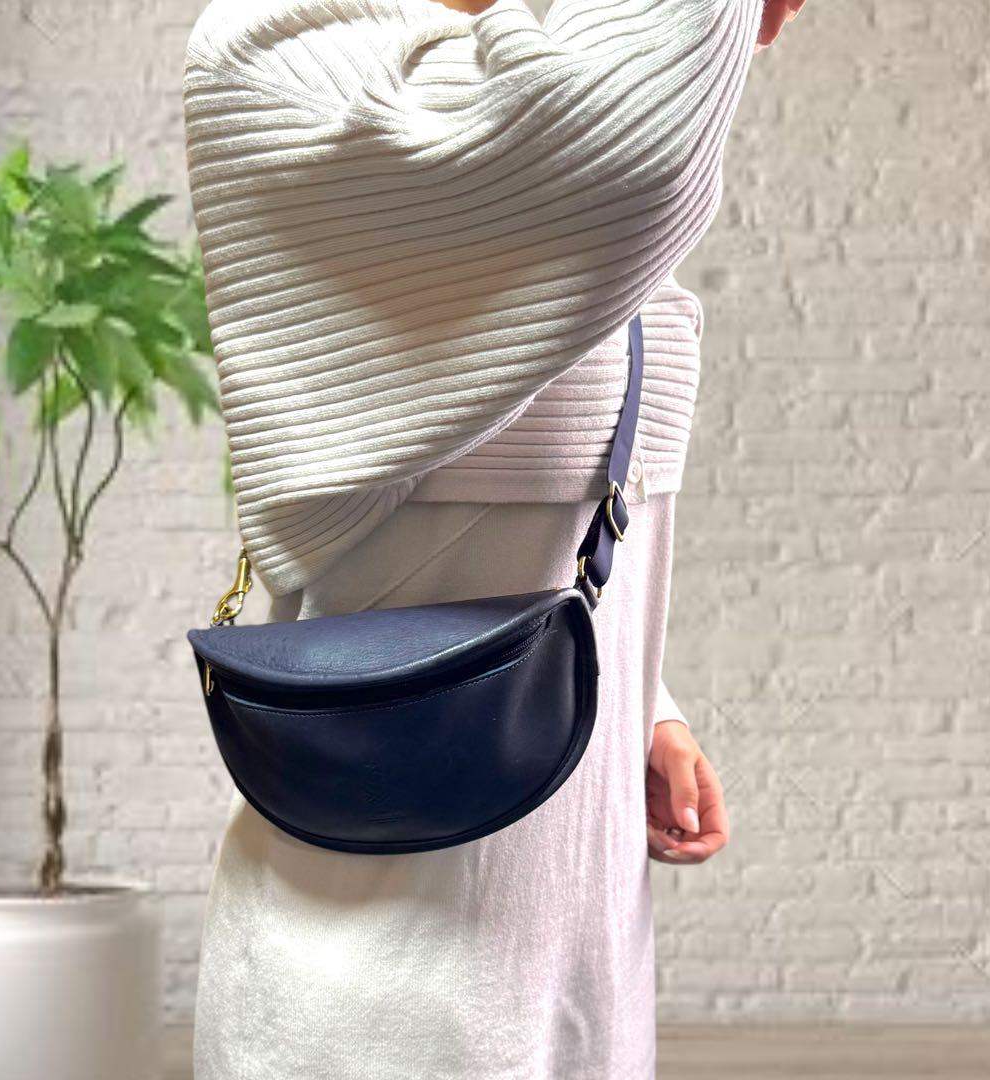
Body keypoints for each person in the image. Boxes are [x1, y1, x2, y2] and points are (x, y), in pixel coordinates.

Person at [181, 0, 805, 1076]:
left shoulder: (512, 90)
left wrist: (634, 703)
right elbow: (630, 145)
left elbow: (519, 517)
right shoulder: (283, 53)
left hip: (575, 956)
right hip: (386, 989)